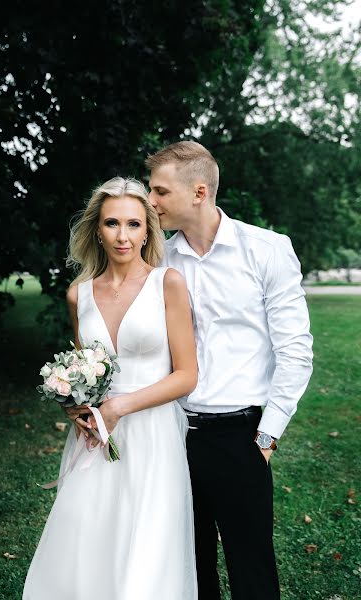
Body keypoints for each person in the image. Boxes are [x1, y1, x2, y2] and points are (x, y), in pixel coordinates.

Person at [146, 141, 314, 600]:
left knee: (251, 567)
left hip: (242, 435)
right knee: (187, 565)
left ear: (199, 192)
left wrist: (267, 436)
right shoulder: (158, 260)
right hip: (173, 432)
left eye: (159, 191)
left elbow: (296, 350)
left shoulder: (267, 250)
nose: (151, 202)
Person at [23, 177, 198, 600]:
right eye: (112, 223)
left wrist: (121, 405)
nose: (123, 236)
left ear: (148, 230)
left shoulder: (167, 283)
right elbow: (86, 372)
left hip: (152, 432)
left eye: (134, 224)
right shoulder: (78, 294)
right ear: (96, 229)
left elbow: (187, 375)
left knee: (148, 551)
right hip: (97, 437)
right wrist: (74, 405)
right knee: (87, 538)